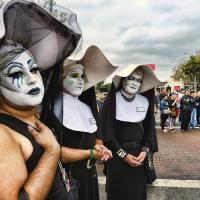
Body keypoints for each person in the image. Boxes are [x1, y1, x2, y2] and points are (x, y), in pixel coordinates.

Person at [0, 0, 81, 199]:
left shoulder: (31, 116)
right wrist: (52, 151)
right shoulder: (3, 135)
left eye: (33, 68)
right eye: (16, 73)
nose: (32, 78)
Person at [42, 45, 117, 200]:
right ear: (59, 78)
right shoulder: (50, 109)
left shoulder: (87, 107)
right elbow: (53, 152)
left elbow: (93, 137)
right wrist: (91, 153)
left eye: (82, 76)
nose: (80, 81)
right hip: (65, 179)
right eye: (73, 75)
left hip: (89, 176)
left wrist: (99, 147)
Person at [99, 64, 163, 200]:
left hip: (139, 156)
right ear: (123, 80)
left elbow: (149, 131)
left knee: (136, 194)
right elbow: (107, 134)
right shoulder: (112, 101)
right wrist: (124, 156)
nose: (135, 83)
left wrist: (145, 151)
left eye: (139, 80)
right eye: (132, 78)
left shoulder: (144, 102)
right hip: (117, 157)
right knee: (118, 193)